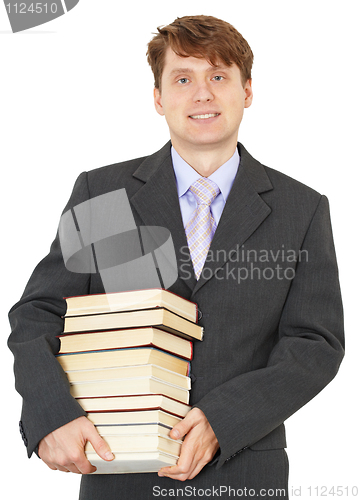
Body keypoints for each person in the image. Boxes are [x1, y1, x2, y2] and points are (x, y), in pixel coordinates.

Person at [8, 15, 344, 500]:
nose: (202, 94)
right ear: (158, 97)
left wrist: (222, 420)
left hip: (245, 472)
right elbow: (39, 313)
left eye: (219, 76)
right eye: (183, 79)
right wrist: (51, 413)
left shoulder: (302, 209)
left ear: (247, 91)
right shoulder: (104, 195)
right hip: (119, 470)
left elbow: (315, 343)